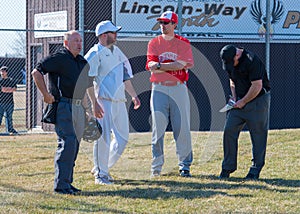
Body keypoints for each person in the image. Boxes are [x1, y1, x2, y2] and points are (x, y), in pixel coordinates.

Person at [31, 30, 102, 194]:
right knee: (67, 142)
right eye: (75, 40)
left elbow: (84, 88)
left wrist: (87, 110)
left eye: (80, 40)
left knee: (75, 145)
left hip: (78, 106)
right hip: (63, 106)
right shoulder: (59, 58)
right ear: (66, 43)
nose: (79, 43)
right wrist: (46, 95)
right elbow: (36, 72)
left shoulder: (83, 62)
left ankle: (67, 183)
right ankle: (61, 186)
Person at [85, 20, 141, 185]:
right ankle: (101, 175)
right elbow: (87, 81)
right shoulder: (94, 53)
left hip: (119, 101)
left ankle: (102, 167)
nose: (116, 35)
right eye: (113, 32)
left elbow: (125, 76)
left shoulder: (117, 51)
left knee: (123, 138)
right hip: (103, 101)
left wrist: (134, 95)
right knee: (103, 138)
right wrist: (94, 103)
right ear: (103, 35)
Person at [145, 11, 194, 178]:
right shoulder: (154, 43)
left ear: (174, 25)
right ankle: (156, 167)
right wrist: (172, 65)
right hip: (158, 88)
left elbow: (183, 64)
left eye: (166, 23)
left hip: (178, 87)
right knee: (158, 129)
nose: (163, 26)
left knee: (182, 127)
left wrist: (161, 66)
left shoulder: (183, 42)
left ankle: (184, 165)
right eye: (161, 23)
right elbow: (151, 65)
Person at [219, 44, 271, 180]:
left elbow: (257, 86)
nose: (231, 65)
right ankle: (227, 167)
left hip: (257, 101)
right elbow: (232, 80)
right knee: (229, 130)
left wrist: (243, 101)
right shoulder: (229, 61)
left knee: (258, 134)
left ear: (237, 55)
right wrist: (235, 97)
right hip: (240, 101)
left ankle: (255, 169)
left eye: (232, 62)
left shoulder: (251, 60)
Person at [0, 66, 18, 135]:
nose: (2, 73)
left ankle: (10, 129)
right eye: (1, 71)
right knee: (0, 117)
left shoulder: (11, 80)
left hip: (10, 102)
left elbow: (15, 88)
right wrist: (9, 89)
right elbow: (2, 89)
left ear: (6, 72)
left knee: (9, 117)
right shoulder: (0, 81)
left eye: (3, 71)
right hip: (1, 102)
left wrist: (6, 89)